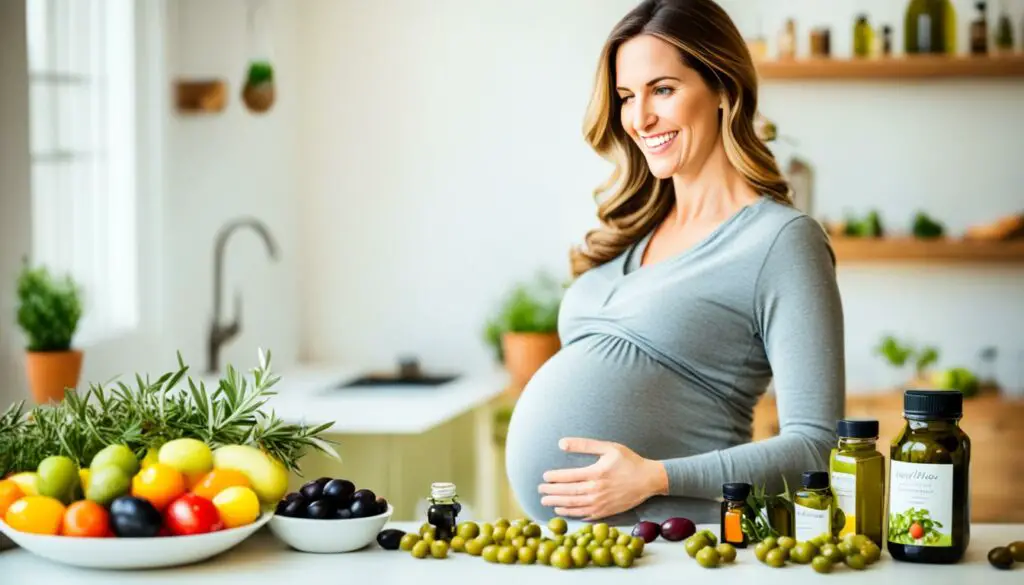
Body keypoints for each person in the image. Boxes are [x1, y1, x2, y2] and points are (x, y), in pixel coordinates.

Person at [503, 0, 845, 526]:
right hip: (575, 549)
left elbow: (817, 449)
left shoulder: (780, 242)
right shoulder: (630, 231)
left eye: (662, 89)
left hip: (684, 549)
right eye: (626, 96)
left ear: (723, 90)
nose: (640, 118)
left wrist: (657, 477)